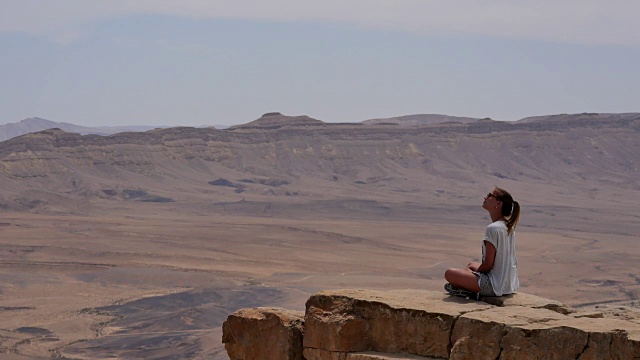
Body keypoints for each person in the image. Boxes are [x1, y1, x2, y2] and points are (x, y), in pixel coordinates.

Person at [444, 187, 521, 298]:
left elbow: (488, 263)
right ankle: (466, 287)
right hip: (507, 285)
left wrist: (477, 274)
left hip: (493, 286)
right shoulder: (507, 226)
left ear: (498, 203)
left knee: (449, 273)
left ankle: (470, 291)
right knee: (471, 265)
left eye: (490, 195)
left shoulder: (493, 228)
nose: (485, 197)